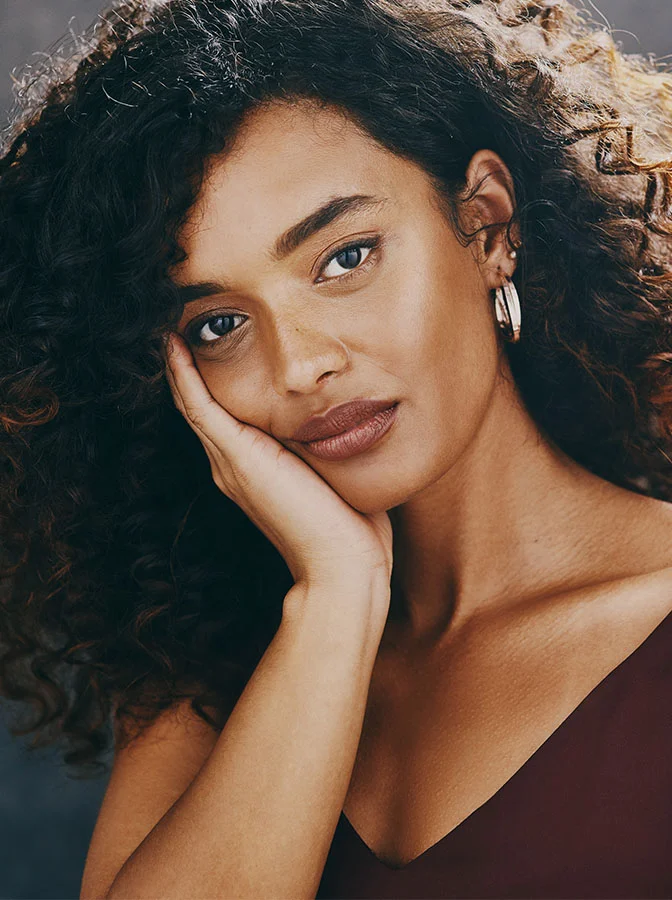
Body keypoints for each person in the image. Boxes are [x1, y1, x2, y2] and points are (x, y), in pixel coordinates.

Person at [0, 0, 671, 896]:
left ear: (487, 225)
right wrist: (335, 598)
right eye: (221, 323)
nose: (303, 364)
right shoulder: (210, 683)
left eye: (346, 258)